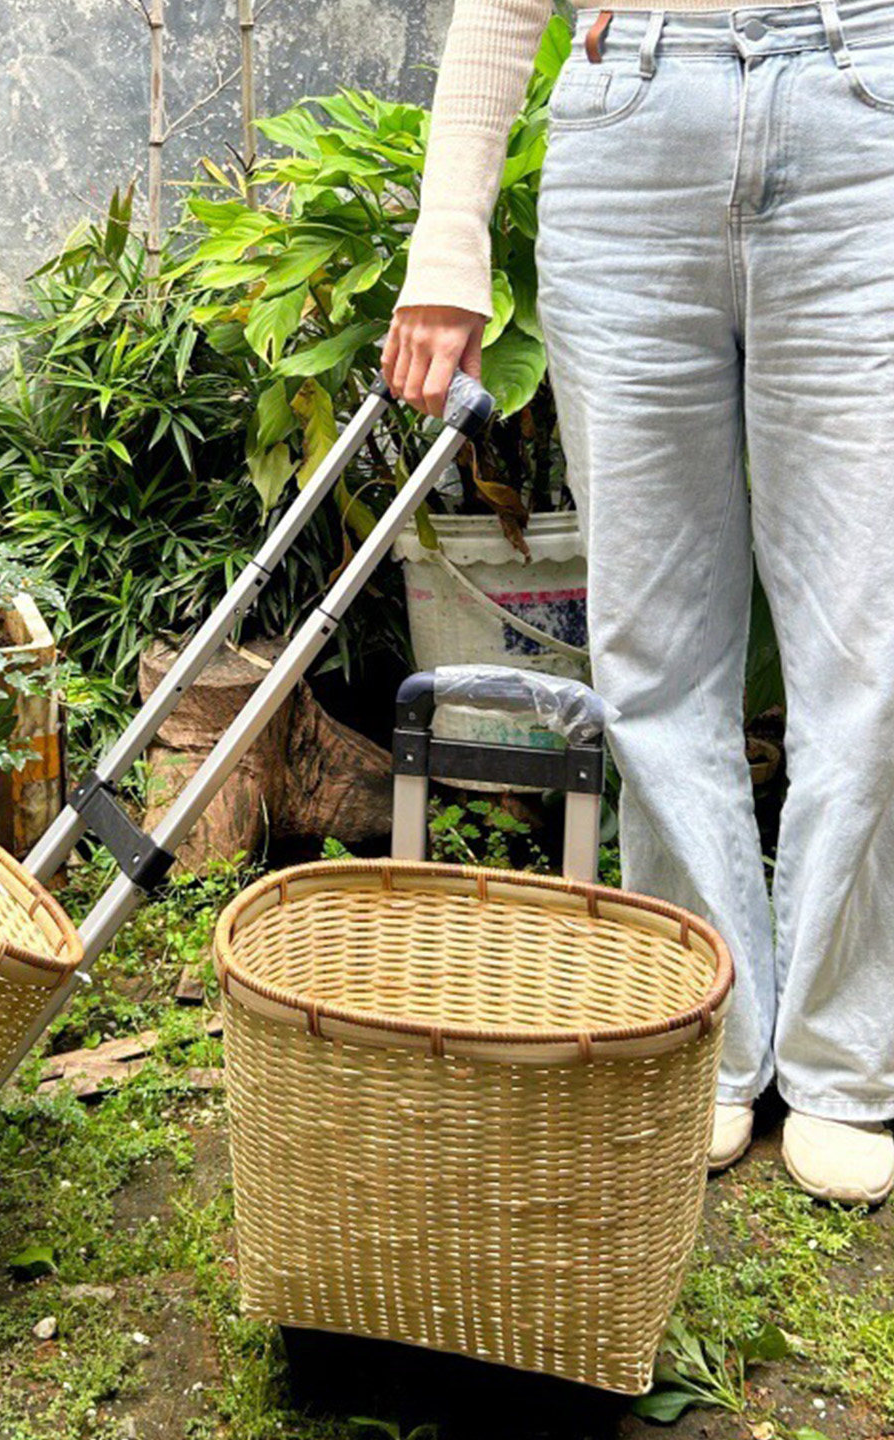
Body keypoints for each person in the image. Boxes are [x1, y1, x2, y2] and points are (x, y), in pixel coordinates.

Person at [383, 0, 894, 1204]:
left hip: (859, 114)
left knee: (862, 643)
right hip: (632, 130)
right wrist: (448, 242)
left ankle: (842, 1055)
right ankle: (704, 1021)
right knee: (652, 651)